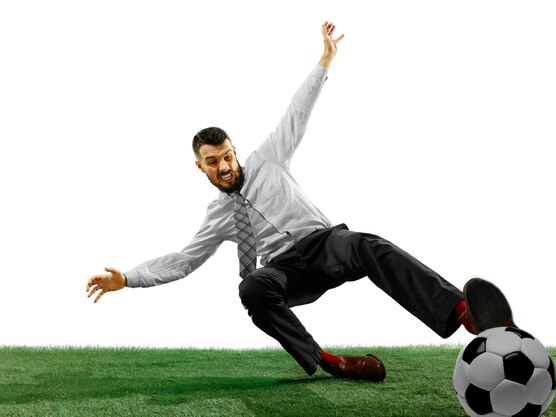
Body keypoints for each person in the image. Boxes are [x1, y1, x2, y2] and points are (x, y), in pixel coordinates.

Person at [86, 21, 516, 382]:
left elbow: (297, 111)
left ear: (236, 152)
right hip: (288, 271)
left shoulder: (269, 158)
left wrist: (325, 59)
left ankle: (463, 313)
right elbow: (183, 260)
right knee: (251, 288)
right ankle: (327, 361)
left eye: (228, 156)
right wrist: (128, 278)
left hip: (324, 244)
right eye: (214, 162)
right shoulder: (217, 216)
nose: (225, 165)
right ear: (201, 167)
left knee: (367, 244)